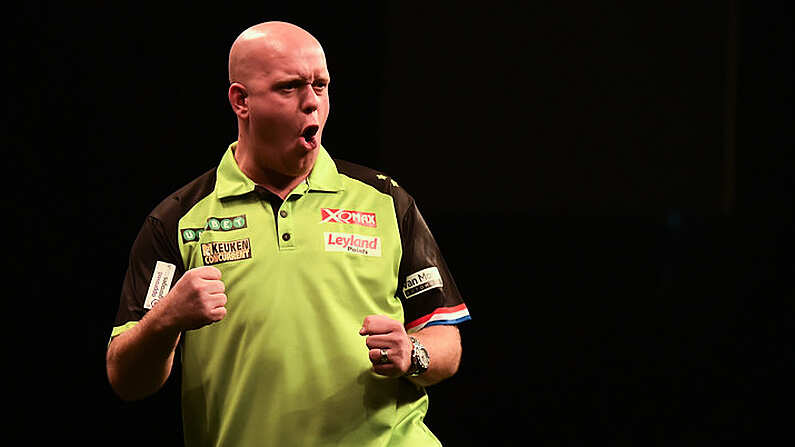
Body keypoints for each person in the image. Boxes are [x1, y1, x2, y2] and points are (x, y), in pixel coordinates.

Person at [106, 21, 471, 446]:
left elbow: (446, 337)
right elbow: (125, 379)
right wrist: (167, 319)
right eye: (290, 87)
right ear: (241, 101)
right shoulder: (177, 219)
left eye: (321, 85)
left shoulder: (386, 201)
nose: (312, 104)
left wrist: (413, 353)